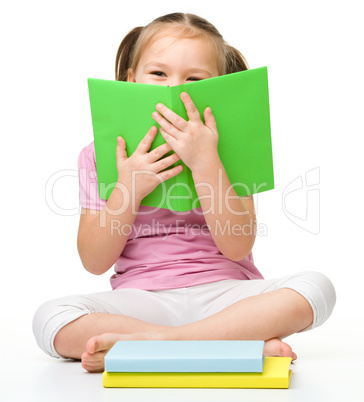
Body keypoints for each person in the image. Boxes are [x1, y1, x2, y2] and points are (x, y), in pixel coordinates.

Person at [33, 12, 336, 373]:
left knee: (318, 289)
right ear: (132, 80)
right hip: (142, 300)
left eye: (194, 79)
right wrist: (128, 189)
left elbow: (237, 246)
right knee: (49, 319)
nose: (173, 88)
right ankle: (232, 342)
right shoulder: (98, 155)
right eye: (158, 73)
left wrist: (208, 163)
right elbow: (94, 261)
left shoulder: (229, 150)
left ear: (217, 89)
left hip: (227, 295)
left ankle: (160, 345)